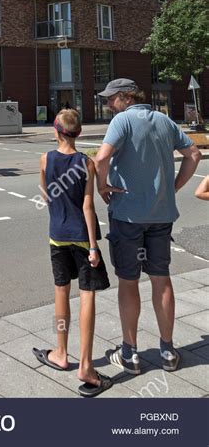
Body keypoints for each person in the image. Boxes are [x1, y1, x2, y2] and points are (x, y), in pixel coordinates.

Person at [94, 79, 202, 375]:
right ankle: (168, 350)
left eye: (110, 99)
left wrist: (102, 185)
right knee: (161, 279)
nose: (107, 105)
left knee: (129, 282)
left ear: (126, 98)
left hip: (127, 217)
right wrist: (173, 187)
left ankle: (129, 354)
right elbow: (194, 154)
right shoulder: (164, 121)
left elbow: (101, 157)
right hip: (161, 216)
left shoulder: (123, 121)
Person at [33, 108, 112, 397]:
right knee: (87, 295)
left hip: (57, 237)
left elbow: (47, 193)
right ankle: (87, 366)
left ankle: (62, 353)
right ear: (78, 133)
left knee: (61, 292)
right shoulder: (86, 163)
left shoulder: (45, 159)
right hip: (80, 238)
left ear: (56, 131)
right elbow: (88, 207)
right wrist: (93, 247)